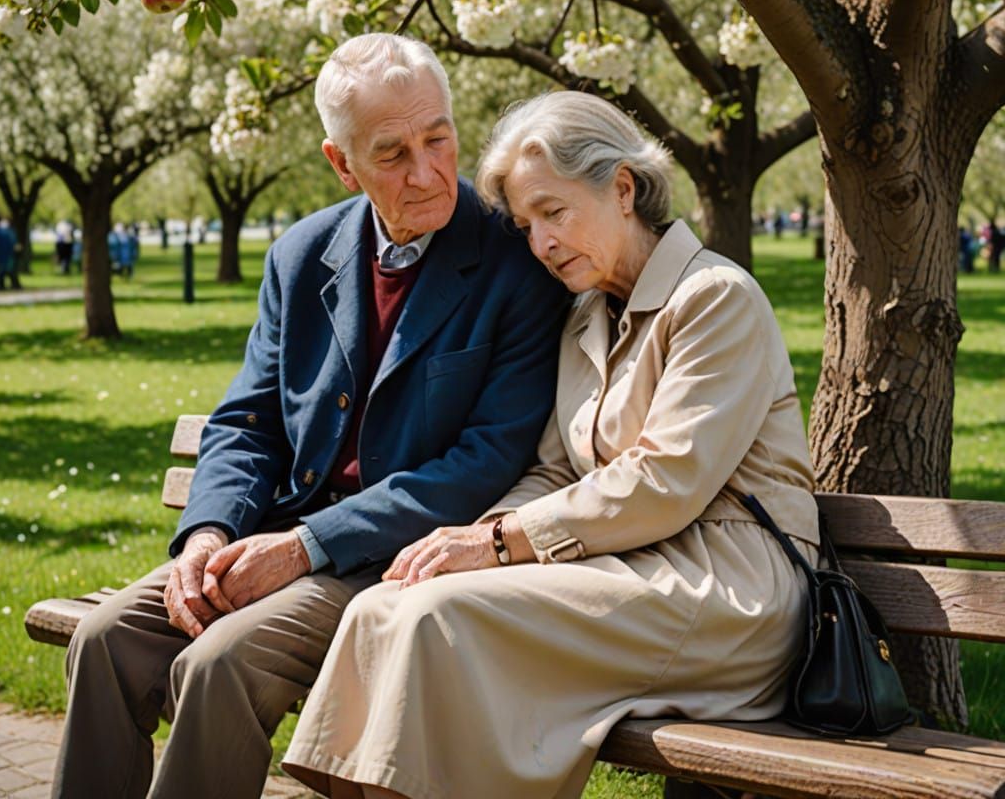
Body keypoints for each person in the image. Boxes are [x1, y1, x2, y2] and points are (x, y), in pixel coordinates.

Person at [51, 35, 568, 799]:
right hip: (273, 535)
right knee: (103, 641)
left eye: (438, 138)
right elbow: (247, 422)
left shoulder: (515, 263)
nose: (426, 172)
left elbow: (484, 463)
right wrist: (207, 534)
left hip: (395, 564)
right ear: (341, 162)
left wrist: (301, 548)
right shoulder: (302, 254)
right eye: (391, 153)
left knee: (216, 665)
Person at [282, 90, 820, 799]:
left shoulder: (716, 298)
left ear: (622, 189)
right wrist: (466, 540)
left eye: (554, 213)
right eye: (528, 224)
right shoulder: (585, 315)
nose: (540, 243)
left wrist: (501, 546)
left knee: (439, 620)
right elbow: (553, 470)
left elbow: (665, 481)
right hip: (627, 571)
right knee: (381, 608)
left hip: (728, 595)